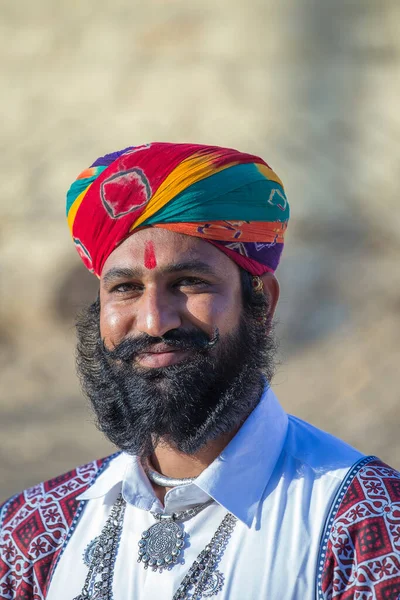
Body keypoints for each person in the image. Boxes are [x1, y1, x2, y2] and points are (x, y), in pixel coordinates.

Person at [1, 143, 399, 600]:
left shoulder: (366, 525)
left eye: (190, 283)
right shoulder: (33, 535)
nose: (154, 321)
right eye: (126, 288)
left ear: (262, 304)